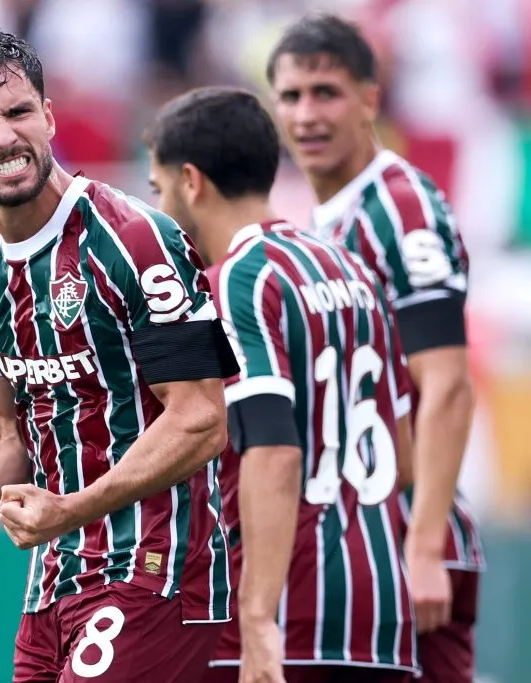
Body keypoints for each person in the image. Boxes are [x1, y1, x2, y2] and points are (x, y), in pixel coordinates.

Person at [0, 29, 240, 683]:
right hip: (53, 584)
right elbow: (7, 433)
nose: (4, 136)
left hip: (160, 571)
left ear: (49, 117)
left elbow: (201, 419)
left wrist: (73, 508)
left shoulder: (135, 240)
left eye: (18, 112)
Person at [146, 86, 419, 683]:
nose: (159, 208)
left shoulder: (233, 281)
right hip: (379, 616)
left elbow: (273, 451)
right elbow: (402, 455)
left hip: (283, 615)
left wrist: (255, 617)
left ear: (190, 181)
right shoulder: (355, 270)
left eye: (158, 188)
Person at [267, 14, 485, 683]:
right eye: (291, 95)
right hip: (366, 538)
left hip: (409, 539)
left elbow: (447, 383)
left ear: (369, 99)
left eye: (326, 93)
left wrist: (423, 547)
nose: (307, 114)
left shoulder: (400, 208)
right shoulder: (330, 218)